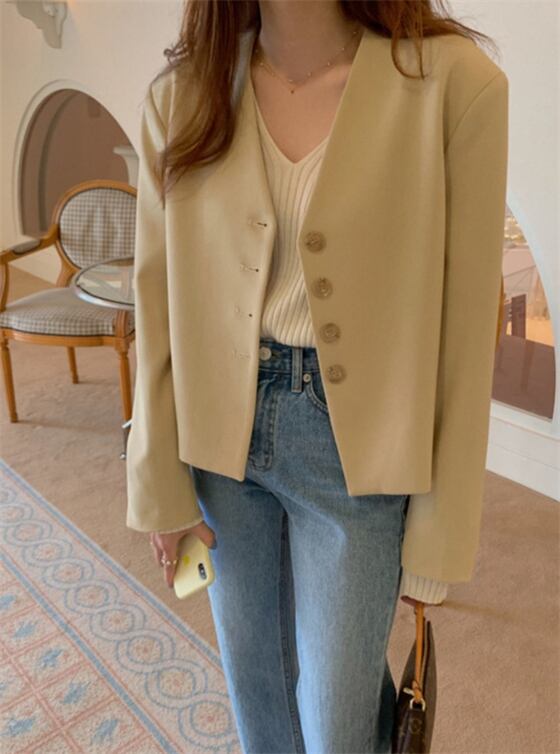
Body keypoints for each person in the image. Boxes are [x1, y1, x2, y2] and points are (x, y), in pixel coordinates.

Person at [126, 1, 509, 752]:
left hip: (356, 453)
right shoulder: (181, 98)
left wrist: (439, 536)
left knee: (338, 719)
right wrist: (159, 485)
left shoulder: (454, 86)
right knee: (258, 696)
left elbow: (465, 336)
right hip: (219, 442)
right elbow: (159, 304)